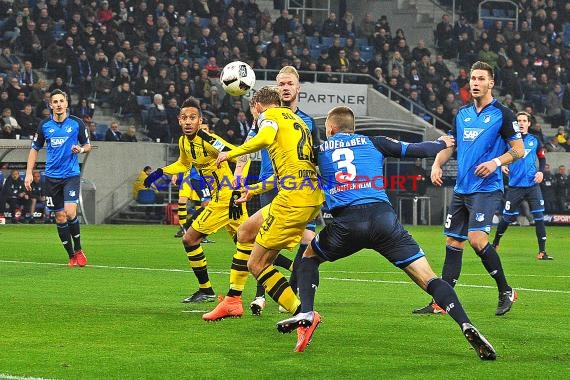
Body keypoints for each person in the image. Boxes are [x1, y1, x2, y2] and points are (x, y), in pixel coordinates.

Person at [275, 106, 495, 360]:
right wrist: (441, 142)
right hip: (384, 220)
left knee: (309, 258)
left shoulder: (318, 150)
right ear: (352, 128)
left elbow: (294, 168)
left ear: (331, 129)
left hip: (347, 223)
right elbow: (416, 150)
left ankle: (308, 312)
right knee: (429, 278)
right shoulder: (374, 142)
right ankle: (465, 323)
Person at [413, 61, 524, 316]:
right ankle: (442, 302)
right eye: (473, 78)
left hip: (487, 188)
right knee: (453, 242)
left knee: (476, 240)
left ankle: (506, 290)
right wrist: (436, 165)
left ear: (491, 83)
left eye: (481, 79)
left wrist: (495, 162)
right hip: (462, 189)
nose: (475, 83)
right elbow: (450, 145)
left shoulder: (503, 114)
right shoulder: (462, 114)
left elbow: (518, 150)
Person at [215, 86, 324, 320]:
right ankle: (233, 300)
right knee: (245, 231)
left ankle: (302, 314)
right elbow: (289, 170)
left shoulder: (269, 116)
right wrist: (253, 189)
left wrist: (231, 154)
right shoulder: (296, 121)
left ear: (256, 107)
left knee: (257, 264)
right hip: (303, 194)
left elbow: (263, 137)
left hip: (293, 200)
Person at [144, 97, 253, 314]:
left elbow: (244, 157)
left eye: (192, 118)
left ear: (200, 120)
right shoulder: (184, 142)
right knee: (249, 246)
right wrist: (161, 172)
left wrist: (237, 188)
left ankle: (206, 290)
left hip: (226, 199)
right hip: (223, 200)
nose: (187, 121)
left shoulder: (209, 140)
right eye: (184, 117)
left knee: (189, 238)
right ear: (178, 120)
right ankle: (293, 272)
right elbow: (184, 163)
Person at [24, 89, 91, 267]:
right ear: (50, 105)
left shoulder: (77, 123)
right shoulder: (44, 125)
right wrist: (29, 173)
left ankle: (78, 249)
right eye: (55, 102)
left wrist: (81, 149)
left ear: (67, 104)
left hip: (71, 175)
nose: (59, 104)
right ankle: (71, 255)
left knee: (70, 212)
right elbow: (34, 149)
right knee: (60, 217)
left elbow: (88, 145)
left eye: (62, 101)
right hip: (52, 178)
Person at [492, 112, 552, 260]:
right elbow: (500, 156)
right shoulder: (509, 140)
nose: (521, 123)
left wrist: (541, 172)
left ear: (529, 123)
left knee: (539, 217)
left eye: (524, 120)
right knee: (506, 219)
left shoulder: (535, 140)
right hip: (515, 186)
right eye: (519, 120)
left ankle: (542, 252)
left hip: (532, 185)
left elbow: (542, 159)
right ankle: (495, 244)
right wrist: (502, 165)